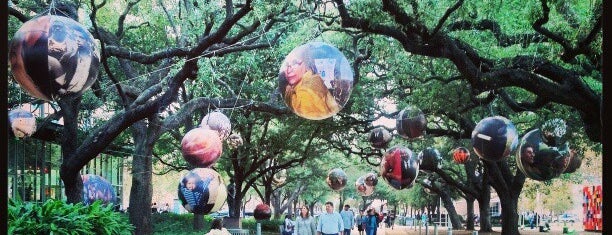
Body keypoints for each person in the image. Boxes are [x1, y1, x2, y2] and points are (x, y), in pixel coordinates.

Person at [280, 49, 340, 120]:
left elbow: (304, 108)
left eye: (294, 63)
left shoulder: (309, 87)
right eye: (286, 66)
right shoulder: (297, 86)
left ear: (307, 64)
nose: (288, 70)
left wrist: (288, 92)